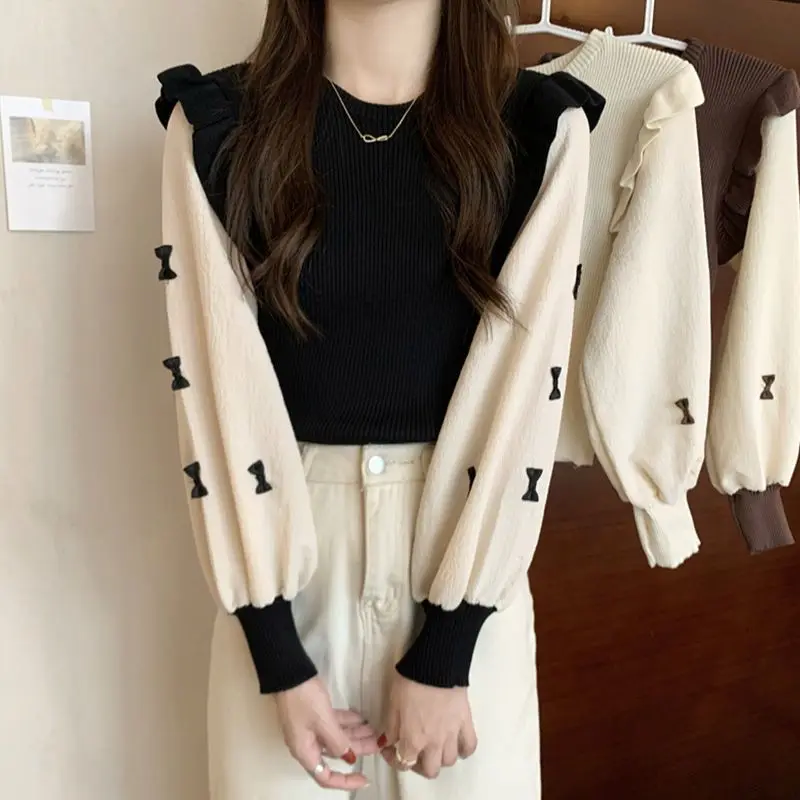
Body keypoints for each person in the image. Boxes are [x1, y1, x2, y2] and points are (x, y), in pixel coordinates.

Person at [154, 1, 602, 797]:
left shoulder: (537, 128)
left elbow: (529, 387)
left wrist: (449, 647)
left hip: (466, 551)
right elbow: (211, 386)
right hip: (280, 550)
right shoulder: (218, 125)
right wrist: (276, 656)